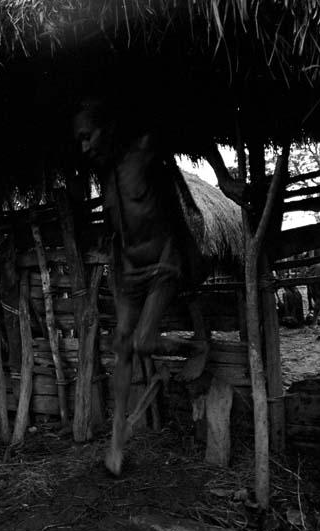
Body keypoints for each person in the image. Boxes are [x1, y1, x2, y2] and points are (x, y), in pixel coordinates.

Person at [74, 99, 211, 475]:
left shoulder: (145, 151)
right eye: (79, 141)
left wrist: (223, 175)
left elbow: (193, 130)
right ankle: (117, 439)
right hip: (131, 275)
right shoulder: (104, 177)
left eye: (88, 136)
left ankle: (189, 347)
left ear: (107, 128)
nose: (84, 147)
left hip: (164, 265)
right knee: (122, 347)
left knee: (143, 342)